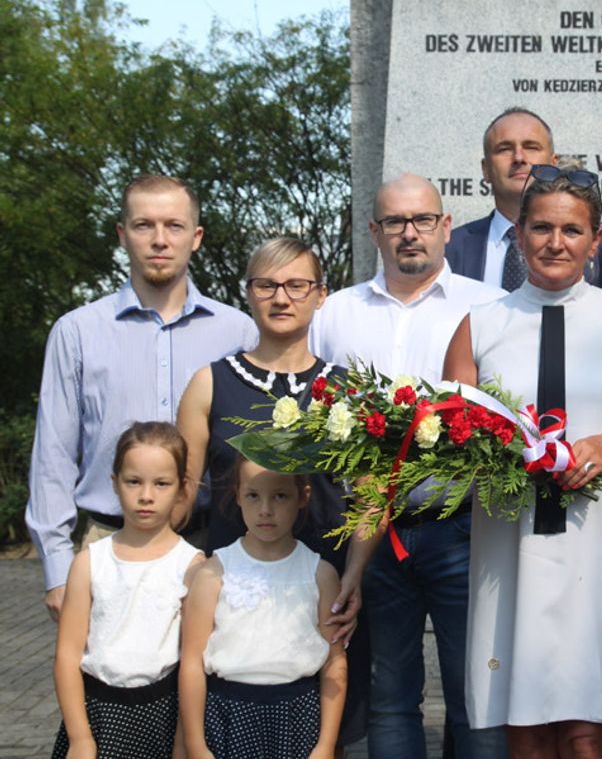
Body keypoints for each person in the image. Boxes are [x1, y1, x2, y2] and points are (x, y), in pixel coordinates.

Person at [443, 164, 602, 757]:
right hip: (512, 545)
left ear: (596, 240)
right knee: (524, 723)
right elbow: (450, 438)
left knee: (590, 729)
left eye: (571, 230)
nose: (555, 243)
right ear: (520, 234)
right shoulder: (480, 325)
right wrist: (499, 455)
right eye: (540, 228)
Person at [310, 173, 506, 758]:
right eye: (394, 222)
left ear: (445, 227)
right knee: (390, 698)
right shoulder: (337, 313)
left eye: (422, 220)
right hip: (371, 536)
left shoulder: (487, 307)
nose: (409, 234)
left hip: (463, 532)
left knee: (476, 699)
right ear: (374, 232)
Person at [27, 174, 257, 620]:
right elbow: (53, 456)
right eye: (143, 225)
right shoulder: (77, 333)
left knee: (209, 686)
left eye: (173, 226)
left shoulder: (238, 333)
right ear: (121, 234)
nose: (159, 240)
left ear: (196, 237)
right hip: (107, 545)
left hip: (211, 547)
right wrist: (57, 569)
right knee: (110, 688)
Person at [177, 237, 369, 753]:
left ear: (321, 294)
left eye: (296, 285)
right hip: (234, 600)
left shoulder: (349, 390)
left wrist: (351, 576)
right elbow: (180, 498)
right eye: (266, 284)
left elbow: (373, 500)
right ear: (249, 293)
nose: (281, 297)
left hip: (320, 592)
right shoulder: (209, 383)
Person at [52, 421, 204, 758]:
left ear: (182, 488)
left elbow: (194, 661)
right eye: (133, 481)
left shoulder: (192, 565)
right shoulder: (89, 563)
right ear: (115, 483)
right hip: (97, 717)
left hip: (162, 717)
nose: (146, 495)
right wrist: (80, 738)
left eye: (161, 484)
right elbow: (67, 655)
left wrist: (184, 739)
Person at [180, 457, 347, 759]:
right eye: (253, 496)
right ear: (238, 494)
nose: (266, 509)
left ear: (303, 496)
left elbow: (334, 662)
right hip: (227, 717)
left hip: (297, 719)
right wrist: (195, 744)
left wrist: (325, 745)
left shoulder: (320, 574)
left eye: (280, 496)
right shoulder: (213, 573)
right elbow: (192, 661)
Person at [445, 107, 602, 295]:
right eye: (504, 149)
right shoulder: (451, 247)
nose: (519, 158)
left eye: (531, 147)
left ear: (554, 163)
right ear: (485, 169)